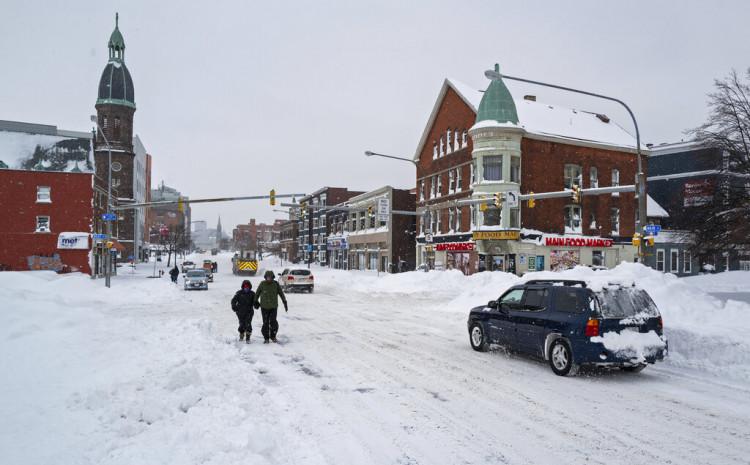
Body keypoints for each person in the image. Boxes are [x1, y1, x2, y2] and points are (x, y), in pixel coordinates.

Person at [254, 270, 288, 343]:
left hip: (273, 307)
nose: (269, 279)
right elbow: (257, 293)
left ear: (273, 277)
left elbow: (281, 294)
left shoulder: (275, 284)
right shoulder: (262, 284)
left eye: (270, 277)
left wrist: (284, 301)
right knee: (265, 323)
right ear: (265, 277)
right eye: (267, 277)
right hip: (264, 307)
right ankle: (266, 338)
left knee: (273, 322)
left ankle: (273, 336)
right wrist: (255, 301)